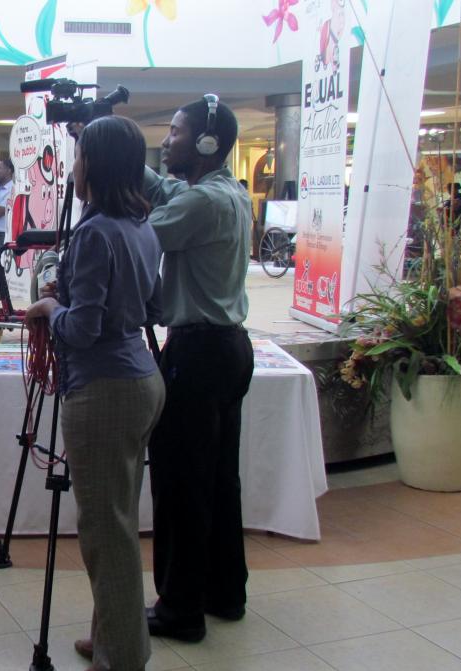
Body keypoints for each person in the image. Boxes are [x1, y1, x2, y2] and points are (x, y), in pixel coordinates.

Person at [25, 116, 164, 671]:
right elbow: (153, 308)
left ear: (94, 166)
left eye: (79, 157)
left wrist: (50, 307)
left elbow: (80, 330)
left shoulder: (92, 233)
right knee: (119, 519)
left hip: (102, 390)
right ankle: (113, 632)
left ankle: (122, 656)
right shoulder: (143, 227)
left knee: (105, 532)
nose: (73, 167)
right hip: (142, 380)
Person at [144, 95, 255, 644]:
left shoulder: (199, 206)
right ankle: (223, 590)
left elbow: (144, 234)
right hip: (231, 349)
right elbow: (168, 193)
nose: (167, 140)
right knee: (218, 480)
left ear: (207, 143)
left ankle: (179, 608)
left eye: (176, 131)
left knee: (181, 483)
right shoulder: (228, 193)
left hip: (196, 354)